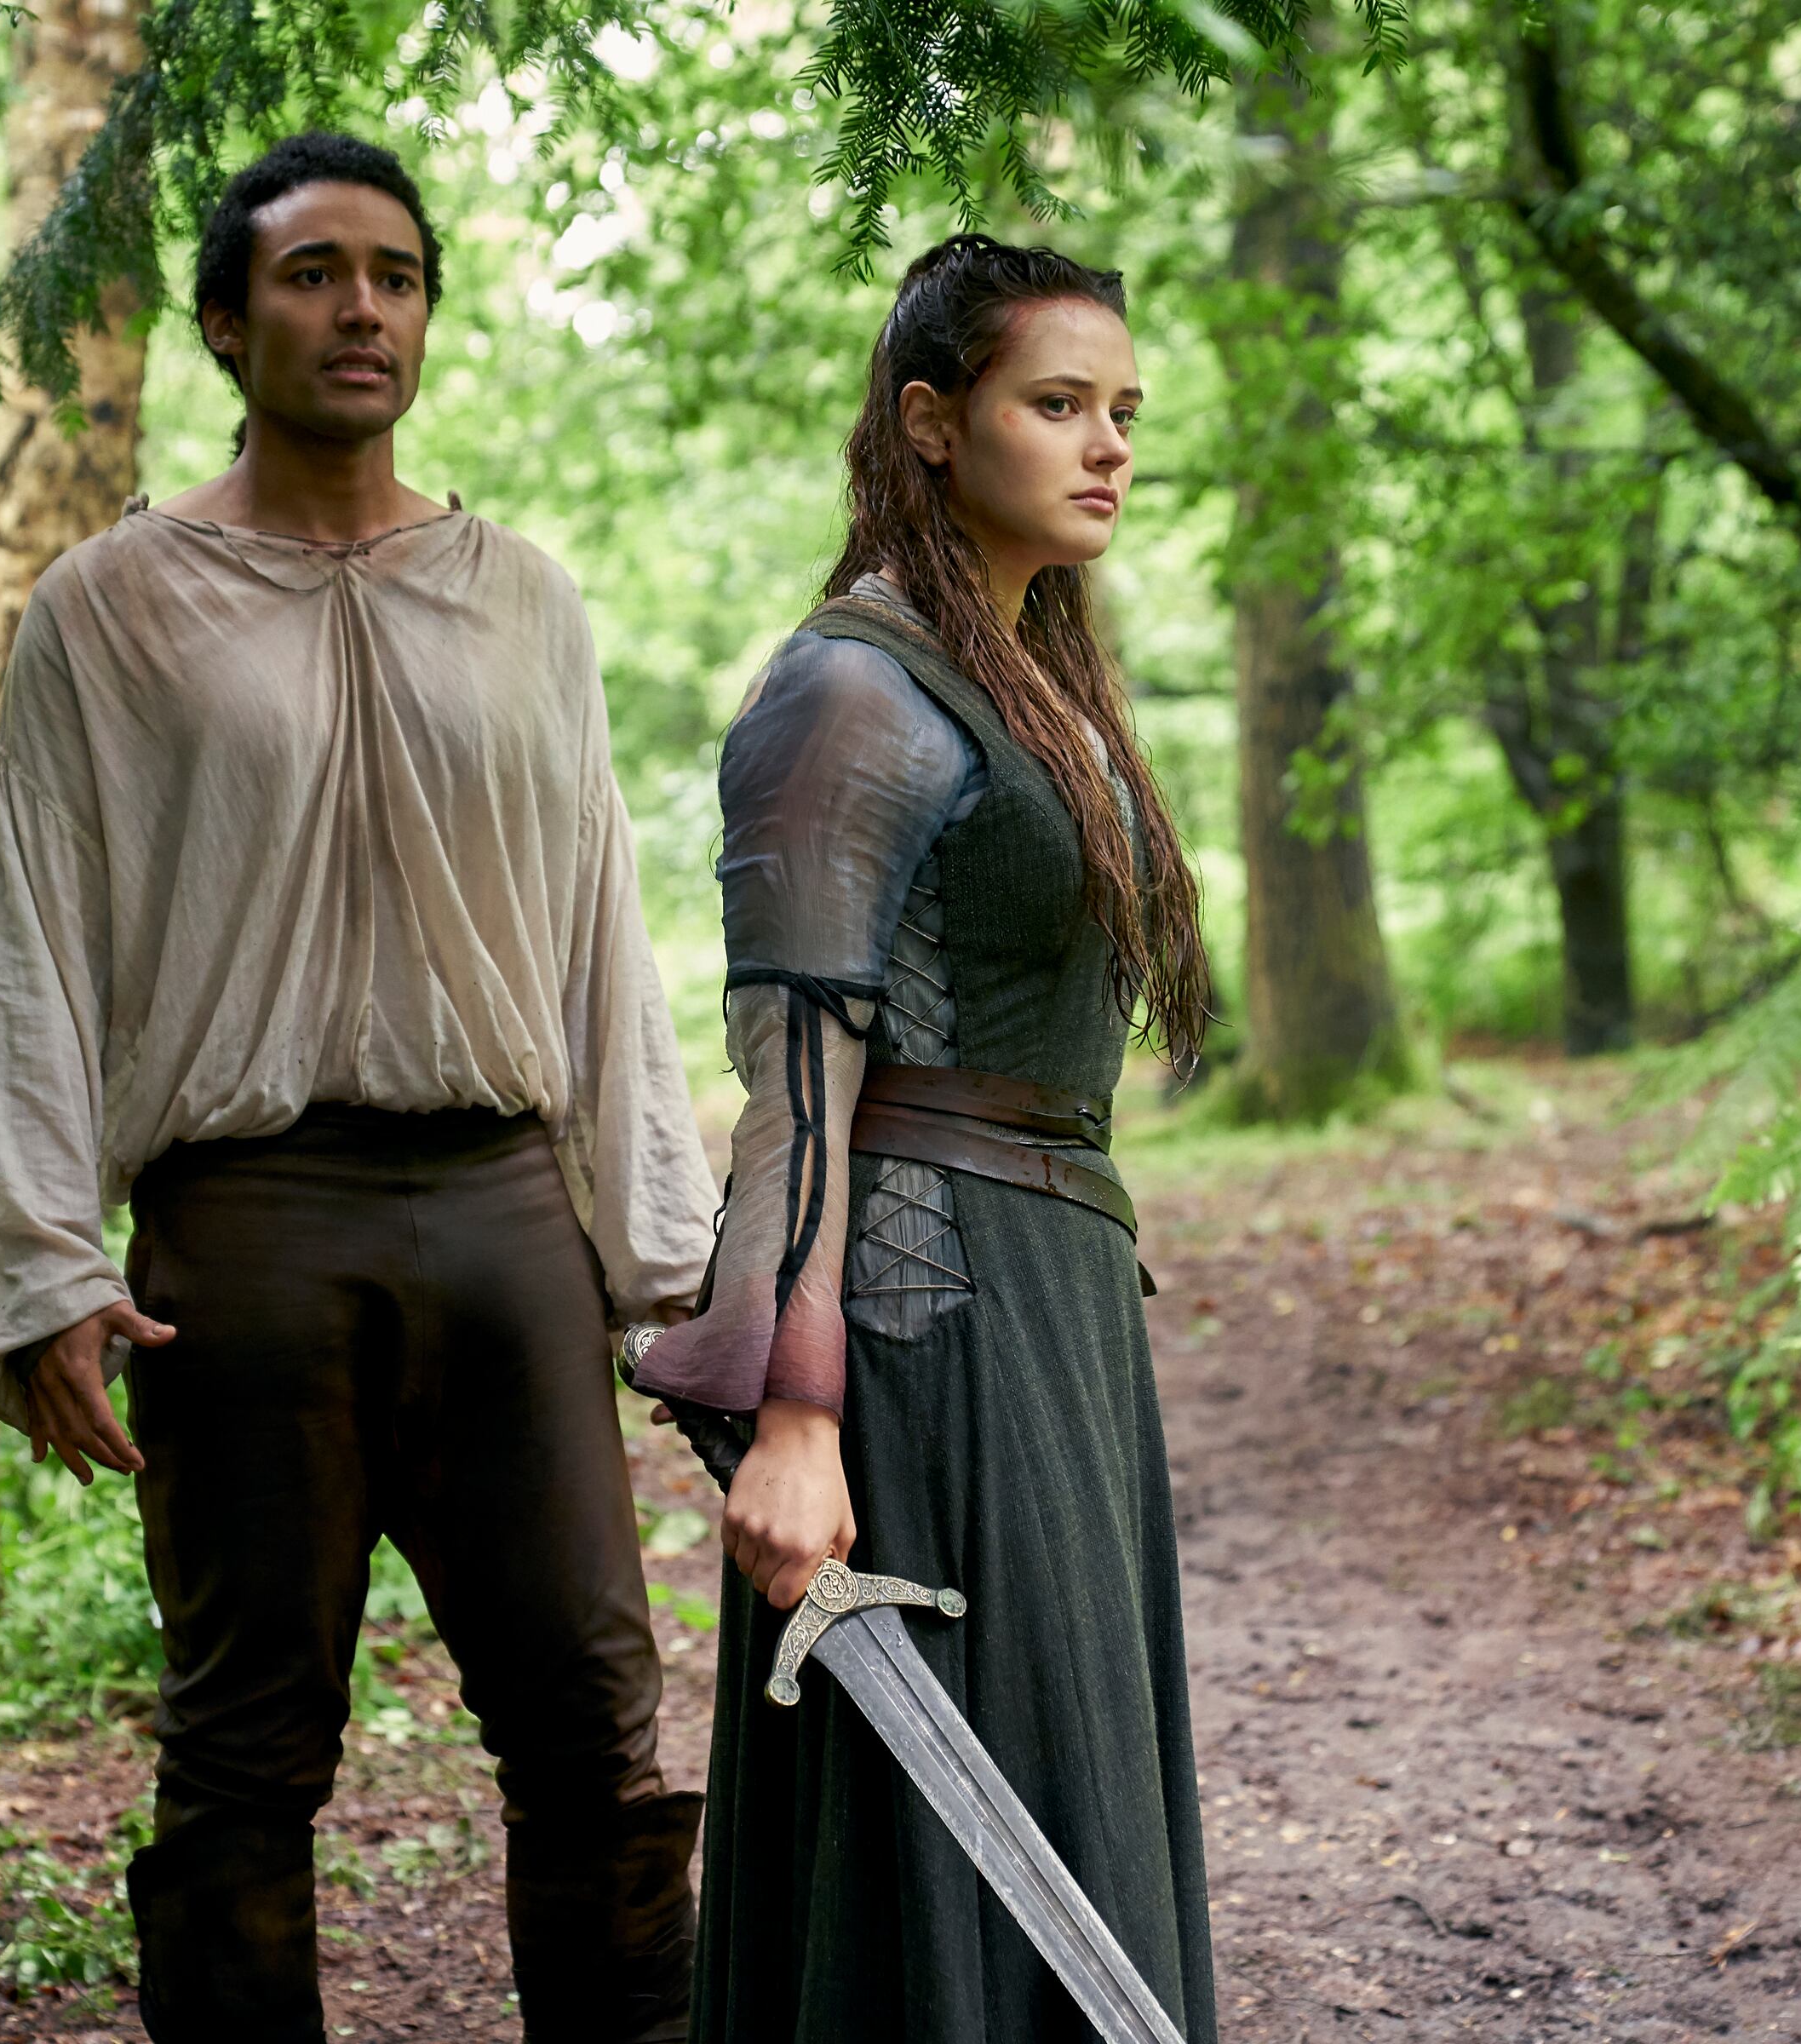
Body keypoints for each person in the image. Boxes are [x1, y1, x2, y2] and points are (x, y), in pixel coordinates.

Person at [0, 130, 721, 2044]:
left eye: (397, 276)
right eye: (313, 274)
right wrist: (41, 1265)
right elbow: (32, 942)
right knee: (244, 1749)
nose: (363, 308)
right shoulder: (111, 606)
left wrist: (668, 1255)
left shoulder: (523, 597)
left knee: (594, 1728)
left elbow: (596, 925)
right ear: (226, 322)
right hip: (247, 1239)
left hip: (510, 1219)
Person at [633, 234, 1224, 2042]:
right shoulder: (853, 689)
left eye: (1125, 411)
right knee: (936, 1850)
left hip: (1051, 1300)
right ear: (930, 422)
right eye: (1059, 404)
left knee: (1070, 1759)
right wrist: (798, 1411)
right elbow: (801, 1074)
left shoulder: (1032, 673)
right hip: (923, 1321)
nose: (1108, 444)